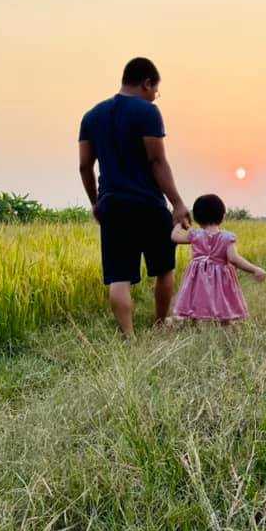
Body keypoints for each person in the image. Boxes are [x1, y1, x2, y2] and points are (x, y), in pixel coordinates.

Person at [78, 57, 190, 337]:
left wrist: (96, 202)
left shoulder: (91, 116)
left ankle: (128, 335)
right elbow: (157, 161)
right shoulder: (147, 112)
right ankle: (160, 321)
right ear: (147, 83)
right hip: (148, 204)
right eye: (155, 91)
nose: (154, 97)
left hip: (112, 205)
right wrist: (177, 202)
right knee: (164, 268)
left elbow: (84, 165)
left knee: (119, 275)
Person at [171, 194, 266, 323]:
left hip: (198, 276)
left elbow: (175, 237)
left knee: (196, 297)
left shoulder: (195, 234)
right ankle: (225, 323)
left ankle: (195, 324)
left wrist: (180, 223)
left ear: (197, 218)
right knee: (222, 298)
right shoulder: (227, 237)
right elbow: (234, 258)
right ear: (222, 216)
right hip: (221, 277)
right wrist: (254, 269)